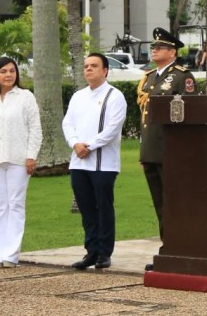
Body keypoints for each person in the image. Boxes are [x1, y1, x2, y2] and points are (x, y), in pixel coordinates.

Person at [137, 27, 196, 270]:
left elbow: (189, 113)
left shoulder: (182, 77)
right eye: (154, 47)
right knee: (160, 203)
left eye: (160, 47)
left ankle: (180, 248)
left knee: (175, 203)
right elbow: (145, 118)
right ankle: (168, 248)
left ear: (172, 52)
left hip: (172, 151)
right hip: (152, 150)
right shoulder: (149, 77)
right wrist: (143, 152)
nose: (155, 50)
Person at [0, 56, 42, 268]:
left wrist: (31, 155)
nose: (8, 75)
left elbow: (35, 128)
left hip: (18, 159)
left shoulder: (25, 97)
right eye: (3, 71)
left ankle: (11, 255)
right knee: (0, 205)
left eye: (12, 71)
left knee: (15, 204)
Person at [63, 52, 127, 270]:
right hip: (78, 162)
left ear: (105, 71)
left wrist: (89, 145)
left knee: (103, 207)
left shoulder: (114, 96)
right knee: (86, 208)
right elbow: (67, 123)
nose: (88, 69)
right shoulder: (78, 96)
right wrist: (75, 144)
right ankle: (91, 250)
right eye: (86, 66)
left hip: (103, 163)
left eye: (94, 66)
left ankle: (104, 252)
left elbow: (112, 128)